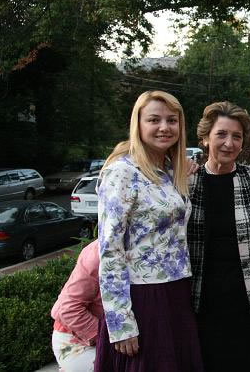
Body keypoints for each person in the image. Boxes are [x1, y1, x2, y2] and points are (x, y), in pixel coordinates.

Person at [94, 90, 202, 372]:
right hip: (142, 298)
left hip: (176, 291)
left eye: (172, 120)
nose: (164, 127)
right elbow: (110, 249)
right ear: (138, 124)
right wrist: (120, 322)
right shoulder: (122, 172)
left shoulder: (171, 171)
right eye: (154, 120)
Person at [187, 101, 250, 371]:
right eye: (221, 134)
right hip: (201, 303)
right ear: (205, 139)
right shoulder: (188, 182)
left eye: (237, 136)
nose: (229, 143)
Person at [51, 240, 102, 372]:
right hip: (75, 342)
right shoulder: (97, 253)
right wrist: (112, 337)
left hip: (112, 339)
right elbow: (69, 309)